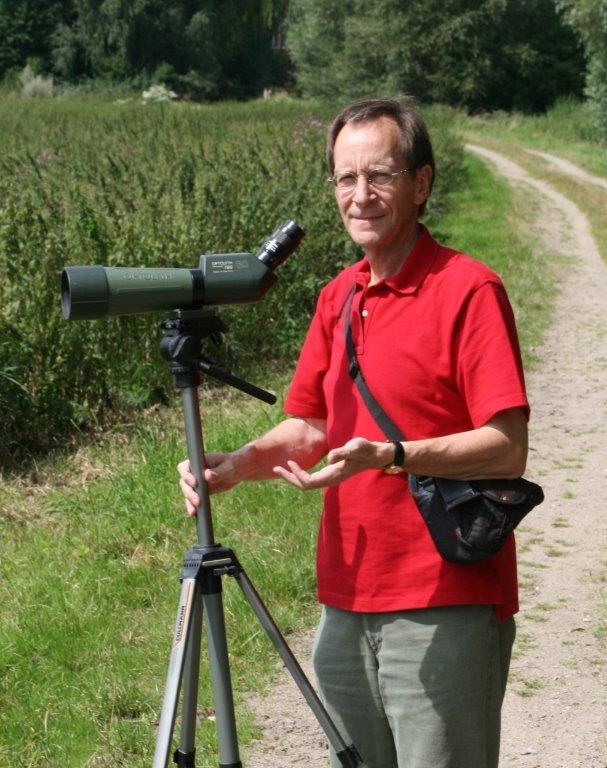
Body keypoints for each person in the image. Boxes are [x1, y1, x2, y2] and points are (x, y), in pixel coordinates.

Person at [178, 98, 529, 768]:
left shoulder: (468, 290)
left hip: (442, 597)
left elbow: (506, 445)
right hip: (344, 599)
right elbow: (310, 423)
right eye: (345, 178)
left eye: (379, 176)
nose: (359, 195)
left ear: (420, 184)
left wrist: (391, 455)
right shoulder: (337, 296)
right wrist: (237, 464)